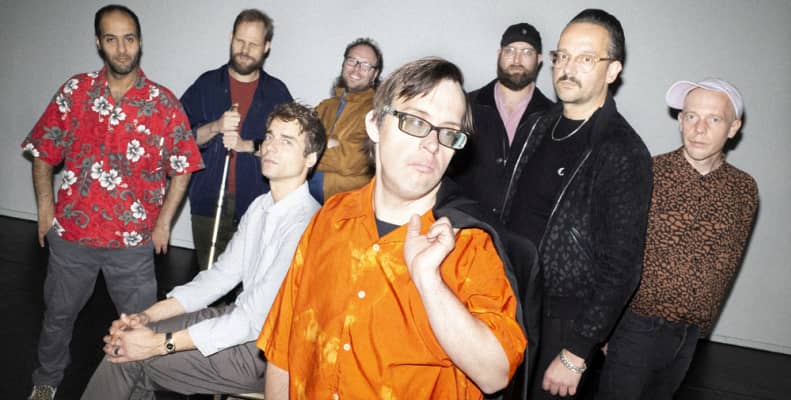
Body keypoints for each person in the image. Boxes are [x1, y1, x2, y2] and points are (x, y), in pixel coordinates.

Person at [258, 58, 527, 399]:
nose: (432, 144)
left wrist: (430, 282)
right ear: (375, 124)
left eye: (448, 133)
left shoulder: (470, 244)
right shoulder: (330, 219)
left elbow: (495, 375)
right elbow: (285, 348)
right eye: (415, 121)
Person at [80, 102, 325, 399]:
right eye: (270, 136)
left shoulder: (305, 224)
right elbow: (217, 279)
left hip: (267, 352)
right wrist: (145, 317)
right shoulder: (261, 206)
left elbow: (251, 322)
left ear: (310, 158)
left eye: (287, 141)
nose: (271, 146)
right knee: (129, 341)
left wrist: (157, 344)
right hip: (240, 319)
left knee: (128, 355)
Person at [21, 5, 203, 400]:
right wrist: (45, 209)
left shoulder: (162, 103)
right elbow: (43, 149)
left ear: (140, 42)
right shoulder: (76, 91)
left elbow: (183, 165)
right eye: (112, 39)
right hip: (73, 236)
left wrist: (164, 223)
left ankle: (140, 392)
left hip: (132, 244)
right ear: (98, 43)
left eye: (129, 39)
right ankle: (46, 380)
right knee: (58, 317)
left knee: (140, 329)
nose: (122, 49)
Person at [501, 9, 653, 398]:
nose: (567, 69)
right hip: (508, 297)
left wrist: (576, 352)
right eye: (562, 56)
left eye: (586, 58)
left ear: (612, 70)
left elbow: (623, 267)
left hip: (562, 320)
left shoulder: (622, 150)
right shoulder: (539, 124)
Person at [595, 79, 759, 400]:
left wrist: (701, 326)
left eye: (714, 119)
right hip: (635, 327)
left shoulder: (744, 190)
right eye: (692, 116)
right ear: (681, 120)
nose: (699, 128)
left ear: (733, 127)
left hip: (689, 336)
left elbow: (729, 261)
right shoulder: (647, 173)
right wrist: (603, 325)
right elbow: (610, 250)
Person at [181, 9, 292, 269]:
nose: (245, 49)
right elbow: (179, 140)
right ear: (231, 38)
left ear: (266, 47)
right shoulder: (206, 84)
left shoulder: (277, 92)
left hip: (258, 204)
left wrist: (247, 145)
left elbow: (289, 149)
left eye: (253, 44)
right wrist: (215, 127)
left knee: (251, 282)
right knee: (209, 278)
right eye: (240, 41)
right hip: (208, 202)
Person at [452, 22, 554, 215]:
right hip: (467, 225)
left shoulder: (553, 118)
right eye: (510, 50)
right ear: (499, 54)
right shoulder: (466, 106)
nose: (517, 59)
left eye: (526, 52)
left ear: (539, 59)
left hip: (522, 230)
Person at [311, 38, 382, 202]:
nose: (356, 69)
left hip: (343, 204)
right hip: (304, 198)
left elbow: (352, 161)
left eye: (365, 65)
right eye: (352, 61)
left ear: (375, 74)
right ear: (343, 64)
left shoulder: (376, 112)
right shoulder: (324, 107)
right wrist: (330, 143)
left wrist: (315, 147)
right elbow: (299, 144)